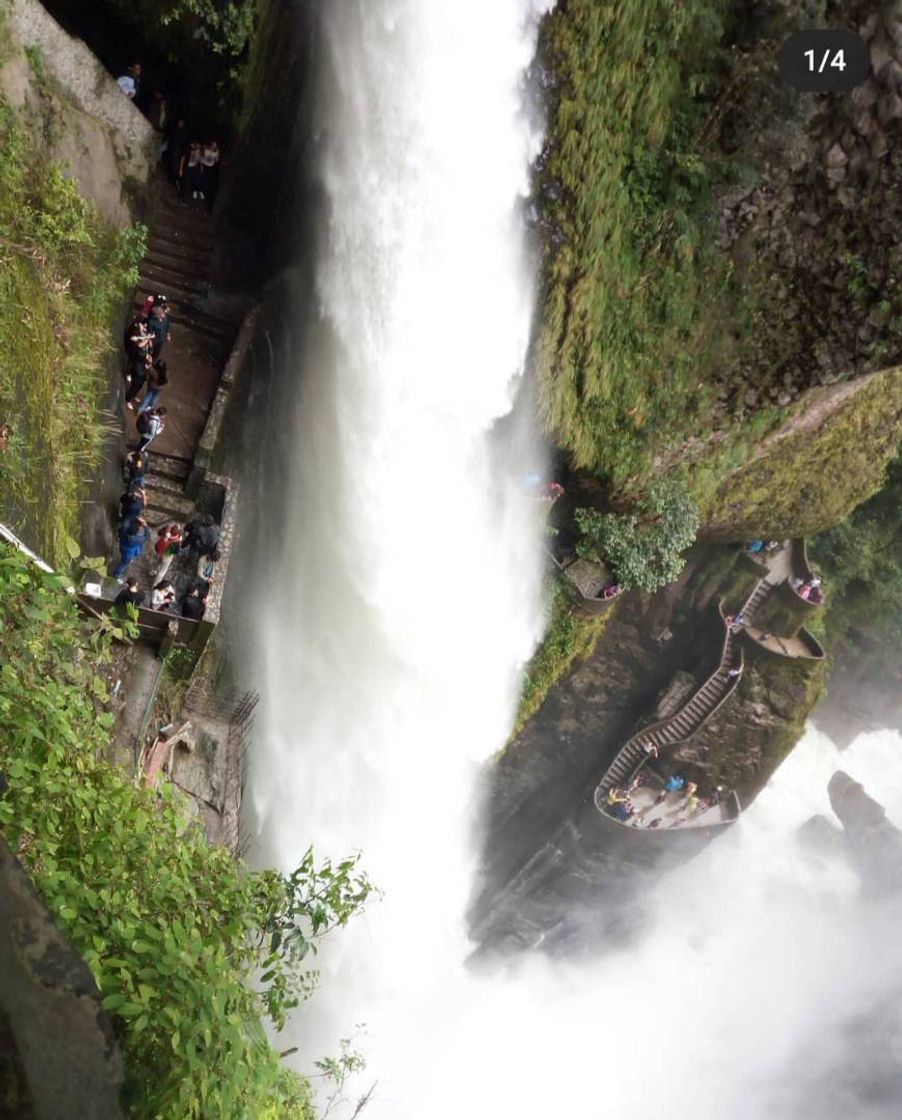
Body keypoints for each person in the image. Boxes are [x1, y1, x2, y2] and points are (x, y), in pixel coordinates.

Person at [113, 516, 150, 582]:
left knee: (124, 560)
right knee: (123, 564)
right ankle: (117, 574)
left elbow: (127, 520)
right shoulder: (137, 539)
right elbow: (147, 535)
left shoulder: (124, 528)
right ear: (136, 533)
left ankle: (118, 572)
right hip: (129, 555)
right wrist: (145, 525)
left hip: (123, 548)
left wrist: (136, 520)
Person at [201, 138, 220, 211]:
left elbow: (216, 161)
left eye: (215, 145)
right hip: (205, 165)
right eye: (213, 144)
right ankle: (202, 190)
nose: (213, 145)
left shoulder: (216, 152)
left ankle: (206, 194)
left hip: (210, 167)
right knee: (204, 179)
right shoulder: (206, 148)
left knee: (209, 181)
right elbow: (202, 153)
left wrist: (217, 156)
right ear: (211, 144)